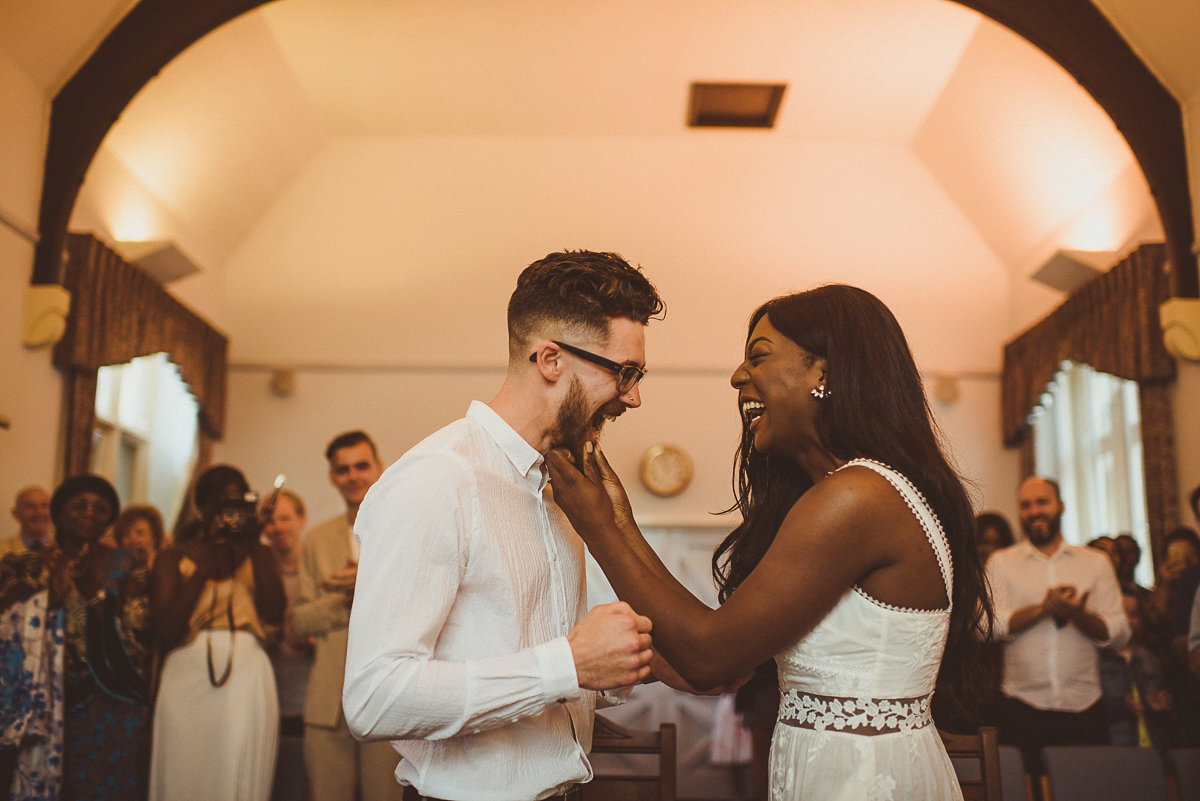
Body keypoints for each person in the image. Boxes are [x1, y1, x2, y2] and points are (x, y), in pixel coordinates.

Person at [547, 284, 992, 800]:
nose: (738, 376)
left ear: (823, 372)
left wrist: (598, 526)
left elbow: (707, 657)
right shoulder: (860, 490)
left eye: (757, 357)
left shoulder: (856, 496)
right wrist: (620, 520)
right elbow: (714, 640)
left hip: (864, 781)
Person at [343, 251, 663, 801]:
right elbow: (374, 698)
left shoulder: (559, 485)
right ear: (550, 359)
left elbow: (541, 656)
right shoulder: (438, 479)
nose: (632, 396)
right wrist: (569, 664)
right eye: (623, 372)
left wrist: (611, 666)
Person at [0, 474, 152, 801]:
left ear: (110, 518)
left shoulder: (126, 564)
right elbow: (6, 630)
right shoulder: (23, 566)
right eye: (79, 505)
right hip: (38, 700)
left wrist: (90, 592)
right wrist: (50, 599)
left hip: (106, 699)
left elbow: (137, 636)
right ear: (58, 512)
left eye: (100, 508)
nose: (89, 513)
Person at [149, 465, 286, 801]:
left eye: (239, 500)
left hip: (246, 671)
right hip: (185, 673)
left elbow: (274, 612)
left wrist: (253, 540)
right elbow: (166, 629)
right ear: (204, 506)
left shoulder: (260, 552)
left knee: (236, 766)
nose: (232, 510)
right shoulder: (173, 556)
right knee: (184, 767)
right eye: (224, 501)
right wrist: (206, 565)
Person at [985, 476, 1130, 775]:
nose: (1035, 511)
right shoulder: (1001, 562)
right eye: (1026, 505)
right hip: (1021, 707)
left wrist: (1078, 615)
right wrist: (1041, 609)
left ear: (1060, 505)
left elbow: (1119, 632)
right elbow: (986, 627)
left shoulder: (1096, 562)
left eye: (1042, 502)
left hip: (1085, 708)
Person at [290, 430, 402, 801]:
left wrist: (368, 587)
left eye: (361, 466)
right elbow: (300, 621)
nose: (353, 476)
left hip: (389, 697)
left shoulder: (404, 528)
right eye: (343, 469)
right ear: (332, 477)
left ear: (379, 467)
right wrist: (346, 599)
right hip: (327, 703)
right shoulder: (317, 540)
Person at [261, 488, 314, 801]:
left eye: (284, 518)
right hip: (264, 695)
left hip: (307, 699)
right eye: (269, 520)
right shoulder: (253, 571)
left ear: (302, 519)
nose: (277, 527)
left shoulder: (318, 568)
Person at [1099, 590, 1172, 749]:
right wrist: (1121, 705)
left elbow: (1167, 718)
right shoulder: (1096, 659)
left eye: (1133, 614)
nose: (1128, 621)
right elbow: (1091, 715)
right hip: (1115, 752)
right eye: (1121, 613)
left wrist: (1158, 705)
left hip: (1152, 750)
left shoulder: (1148, 658)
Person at [2, 485, 52, 556]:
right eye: (31, 506)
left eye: (44, 506)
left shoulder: (63, 551)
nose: (39, 512)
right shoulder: (2, 552)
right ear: (16, 513)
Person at [114, 503, 167, 569]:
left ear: (154, 537)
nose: (133, 540)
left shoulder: (167, 567)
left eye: (140, 533)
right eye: (126, 534)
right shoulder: (115, 571)